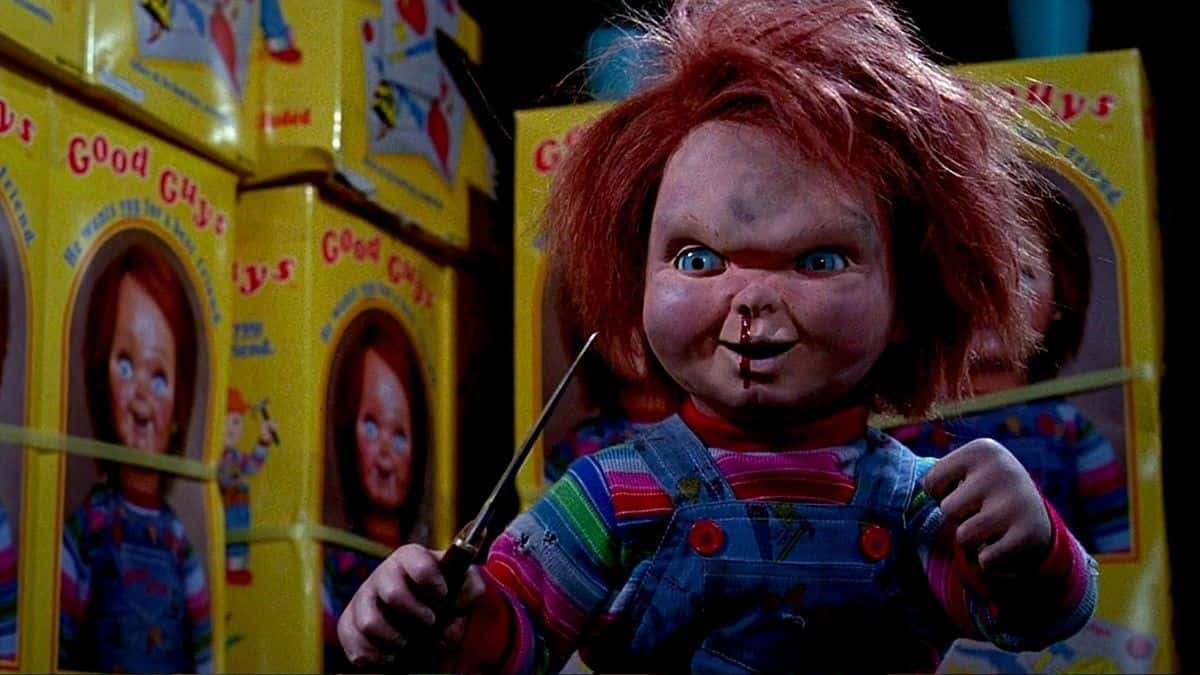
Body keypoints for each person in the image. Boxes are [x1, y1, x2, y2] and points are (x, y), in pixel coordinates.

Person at [339, 1, 1098, 671]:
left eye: (819, 259)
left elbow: (1034, 617)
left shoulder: (912, 502)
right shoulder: (611, 492)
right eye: (698, 259)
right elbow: (518, 634)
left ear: (909, 297)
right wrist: (440, 615)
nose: (752, 299)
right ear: (635, 276)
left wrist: (1031, 543)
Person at [892, 173, 1129, 554]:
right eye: (970, 272)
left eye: (1023, 274)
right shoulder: (896, 435)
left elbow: (1120, 557)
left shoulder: (1071, 434)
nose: (994, 296)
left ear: (1061, 298)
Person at [59, 245, 211, 673]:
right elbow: (56, 643)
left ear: (180, 404)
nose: (141, 393)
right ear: (101, 376)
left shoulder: (178, 543)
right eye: (125, 366)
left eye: (159, 377)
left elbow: (205, 654)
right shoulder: (89, 528)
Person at [322, 315, 428, 672]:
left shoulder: (425, 569)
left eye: (399, 436)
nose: (384, 457)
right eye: (370, 426)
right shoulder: (334, 570)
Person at [218, 387, 275, 584]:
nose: (231, 428)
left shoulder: (236, 456)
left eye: (236, 422)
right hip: (224, 508)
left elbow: (252, 466)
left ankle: (237, 568)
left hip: (240, 510)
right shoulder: (214, 456)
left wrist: (263, 440)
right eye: (225, 421)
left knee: (239, 540)